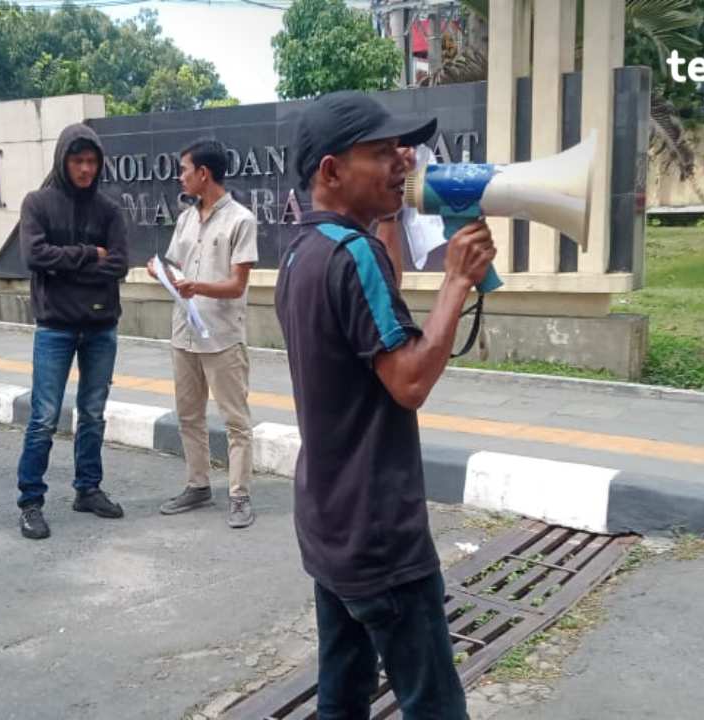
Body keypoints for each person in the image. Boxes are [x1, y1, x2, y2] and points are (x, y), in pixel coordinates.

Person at [275, 92, 496, 718]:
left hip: (330, 523)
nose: (404, 161)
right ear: (332, 171)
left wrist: (393, 220)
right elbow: (409, 382)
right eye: (381, 152)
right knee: (433, 703)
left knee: (341, 696)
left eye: (403, 149)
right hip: (380, 537)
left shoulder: (304, 251)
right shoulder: (354, 255)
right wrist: (456, 282)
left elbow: (374, 311)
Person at [14, 123, 129, 540]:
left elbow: (118, 264)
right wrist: (86, 255)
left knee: (93, 414)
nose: (85, 169)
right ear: (63, 160)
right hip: (55, 328)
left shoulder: (109, 210)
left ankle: (88, 489)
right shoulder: (38, 203)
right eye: (78, 161)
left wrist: (64, 264)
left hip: (101, 327)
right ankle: (30, 501)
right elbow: (33, 255)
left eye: (92, 161)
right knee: (44, 417)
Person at [149, 139, 258, 528]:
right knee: (188, 414)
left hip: (222, 336)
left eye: (184, 170)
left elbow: (236, 285)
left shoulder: (241, 220)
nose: (181, 177)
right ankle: (198, 485)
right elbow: (177, 267)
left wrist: (197, 287)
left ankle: (239, 494)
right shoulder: (186, 219)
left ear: (203, 174)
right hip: (184, 333)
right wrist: (165, 275)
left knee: (235, 420)